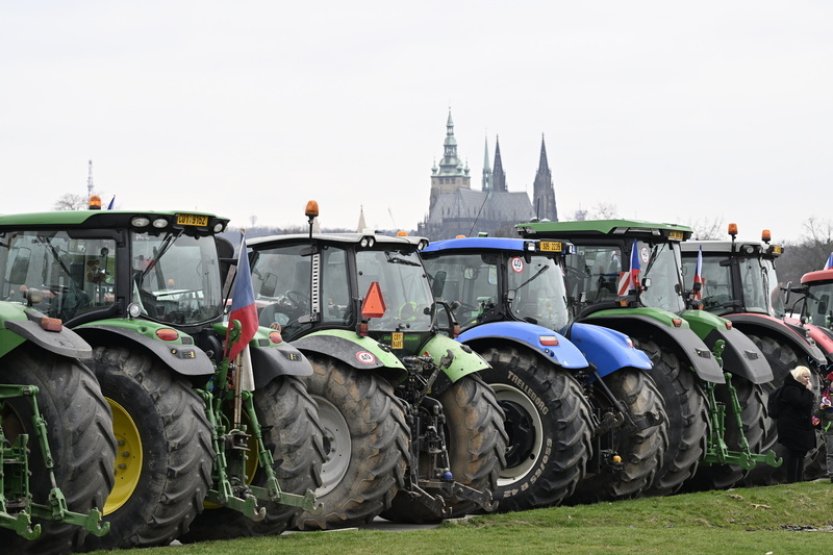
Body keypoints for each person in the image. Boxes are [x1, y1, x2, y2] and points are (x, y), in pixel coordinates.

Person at [776, 365, 816, 483]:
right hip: (793, 428)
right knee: (794, 455)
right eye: (805, 377)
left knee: (800, 455)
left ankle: (798, 480)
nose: (807, 380)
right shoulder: (791, 389)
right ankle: (792, 481)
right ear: (798, 377)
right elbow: (800, 403)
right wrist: (808, 392)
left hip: (801, 428)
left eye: (809, 377)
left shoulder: (798, 389)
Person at [818, 371, 833, 483]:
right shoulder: (824, 396)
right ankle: (832, 475)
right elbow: (816, 414)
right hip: (829, 427)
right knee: (831, 453)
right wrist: (821, 408)